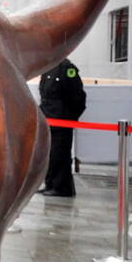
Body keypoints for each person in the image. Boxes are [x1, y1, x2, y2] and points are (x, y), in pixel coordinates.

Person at [37, 58, 87, 197]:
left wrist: (68, 116)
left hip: (61, 119)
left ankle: (62, 187)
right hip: (48, 118)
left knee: (60, 154)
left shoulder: (68, 68)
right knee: (50, 155)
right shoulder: (47, 67)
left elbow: (77, 97)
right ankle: (51, 183)